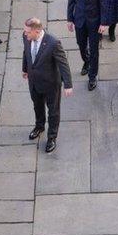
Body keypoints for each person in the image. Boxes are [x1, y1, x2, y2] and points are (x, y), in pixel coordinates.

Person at [22, 18, 73, 154]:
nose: (25, 34)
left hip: (50, 84)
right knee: (37, 106)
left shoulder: (53, 43)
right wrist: (25, 69)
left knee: (53, 112)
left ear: (37, 31)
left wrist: (68, 84)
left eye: (27, 32)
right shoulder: (26, 37)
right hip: (34, 82)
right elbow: (25, 52)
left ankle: (52, 137)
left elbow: (63, 64)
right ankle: (39, 127)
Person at [66, 0, 108, 91]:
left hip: (95, 22)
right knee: (81, 44)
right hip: (79, 20)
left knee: (94, 50)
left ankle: (92, 76)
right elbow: (71, 0)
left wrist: (103, 23)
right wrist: (69, 19)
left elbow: (103, 3)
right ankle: (87, 61)